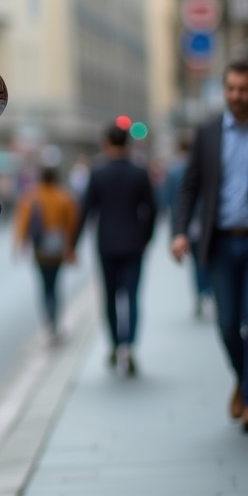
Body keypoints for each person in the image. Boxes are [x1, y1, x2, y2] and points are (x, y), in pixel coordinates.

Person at [171, 58, 248, 434]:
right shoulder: (208, 133)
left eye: (244, 89)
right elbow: (190, 187)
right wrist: (180, 231)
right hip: (220, 243)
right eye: (230, 88)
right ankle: (245, 379)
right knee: (228, 325)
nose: (236, 96)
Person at [73, 124, 157, 376]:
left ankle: (114, 344)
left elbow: (85, 211)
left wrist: (72, 245)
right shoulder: (140, 173)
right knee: (131, 297)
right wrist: (146, 238)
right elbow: (152, 210)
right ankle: (129, 347)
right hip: (134, 244)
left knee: (109, 298)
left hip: (107, 244)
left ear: (107, 143)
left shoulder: (98, 174)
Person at [13, 165, 78, 343]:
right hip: (57, 250)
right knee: (55, 286)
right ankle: (55, 323)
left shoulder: (32, 197)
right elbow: (71, 225)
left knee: (45, 287)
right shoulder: (64, 197)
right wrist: (71, 248)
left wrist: (18, 246)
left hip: (40, 250)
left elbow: (22, 222)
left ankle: (49, 324)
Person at [162, 135, 210, 318]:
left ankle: (200, 295)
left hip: (184, 222)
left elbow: (168, 201)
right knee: (205, 259)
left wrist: (175, 231)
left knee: (196, 263)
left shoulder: (173, 171)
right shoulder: (204, 166)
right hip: (203, 220)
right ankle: (206, 293)